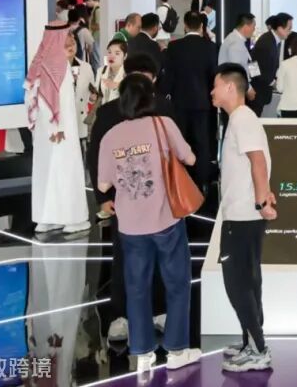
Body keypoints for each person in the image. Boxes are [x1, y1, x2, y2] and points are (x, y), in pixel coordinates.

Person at [96, 74, 200, 373]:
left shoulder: (110, 136)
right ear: (149, 98)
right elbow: (190, 159)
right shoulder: (163, 125)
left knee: (137, 288)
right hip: (166, 219)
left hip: (130, 226)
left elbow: (103, 184)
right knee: (177, 284)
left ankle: (142, 352)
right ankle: (177, 349)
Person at [88, 53, 174, 339]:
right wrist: (103, 197)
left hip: (159, 198)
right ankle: (121, 315)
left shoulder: (164, 109)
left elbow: (177, 153)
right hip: (123, 199)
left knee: (159, 253)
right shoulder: (109, 112)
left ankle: (158, 311)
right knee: (124, 256)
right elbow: (96, 157)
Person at [211, 64, 277, 373]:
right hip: (240, 214)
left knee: (239, 284)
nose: (211, 92)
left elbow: (258, 161)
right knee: (246, 281)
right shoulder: (240, 119)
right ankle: (251, 342)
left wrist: (262, 201)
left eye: (215, 85)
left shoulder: (242, 119)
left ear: (229, 87)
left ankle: (258, 350)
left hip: (243, 216)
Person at [25, 22, 90, 234]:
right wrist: (57, 127)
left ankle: (52, 218)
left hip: (48, 132)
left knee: (51, 172)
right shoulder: (55, 64)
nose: (70, 38)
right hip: (58, 132)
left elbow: (31, 97)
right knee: (62, 172)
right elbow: (57, 101)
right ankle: (70, 218)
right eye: (66, 34)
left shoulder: (41, 61)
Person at [161, 11, 219, 192]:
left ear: (185, 26)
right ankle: (203, 182)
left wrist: (164, 96)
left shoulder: (174, 47)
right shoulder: (210, 47)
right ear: (201, 26)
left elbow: (168, 77)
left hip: (180, 103)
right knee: (202, 142)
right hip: (203, 103)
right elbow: (214, 75)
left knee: (181, 141)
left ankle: (182, 182)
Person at [251, 12, 293, 116]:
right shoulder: (266, 43)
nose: (290, 31)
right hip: (258, 92)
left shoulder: (270, 40)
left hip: (260, 91)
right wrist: (274, 83)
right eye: (289, 28)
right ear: (279, 28)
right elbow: (253, 66)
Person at [65, 32, 96, 148]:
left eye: (73, 43)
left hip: (81, 120)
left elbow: (92, 92)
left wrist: (93, 98)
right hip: (64, 122)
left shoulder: (86, 67)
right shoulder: (56, 69)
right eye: (66, 45)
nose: (70, 47)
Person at [219, 13, 259, 104]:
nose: (254, 30)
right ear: (246, 27)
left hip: (233, 88)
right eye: (253, 27)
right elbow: (236, 70)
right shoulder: (236, 43)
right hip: (234, 91)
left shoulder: (235, 39)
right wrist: (248, 88)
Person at [95, 39, 127, 104]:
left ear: (125, 56)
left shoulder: (129, 73)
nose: (112, 56)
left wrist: (118, 85)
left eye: (117, 53)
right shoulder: (101, 71)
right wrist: (92, 98)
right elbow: (97, 94)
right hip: (104, 108)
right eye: (109, 52)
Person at [68, 7, 98, 71]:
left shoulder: (64, 30)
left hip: (67, 60)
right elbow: (91, 45)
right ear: (79, 19)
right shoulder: (84, 30)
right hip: (80, 61)